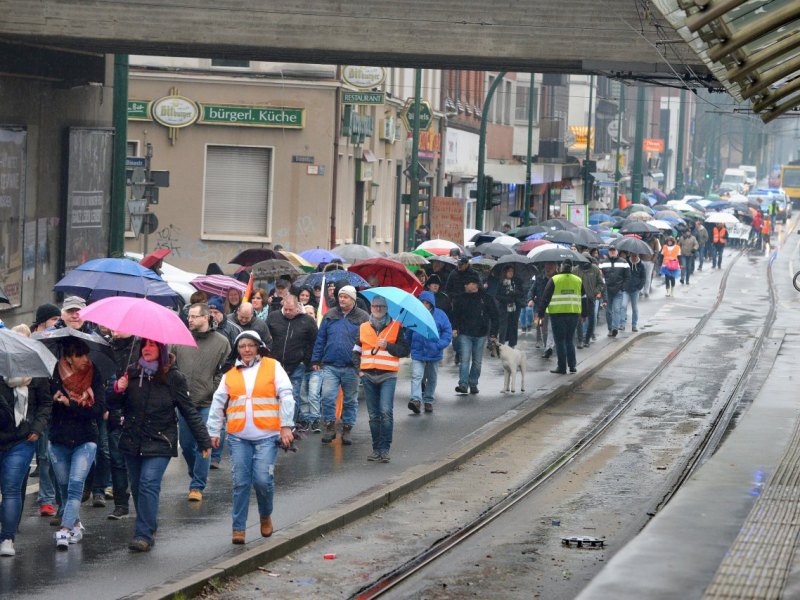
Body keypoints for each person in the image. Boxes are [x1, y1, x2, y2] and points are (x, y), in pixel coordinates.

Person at [112, 339, 212, 552]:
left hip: (160, 440)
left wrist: (204, 440)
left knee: (149, 483)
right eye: (144, 346)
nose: (147, 349)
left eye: (152, 345)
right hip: (132, 439)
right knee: (138, 486)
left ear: (161, 350)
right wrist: (117, 389)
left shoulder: (173, 377)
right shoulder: (132, 372)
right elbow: (114, 405)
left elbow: (189, 410)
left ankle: (143, 534)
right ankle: (148, 523)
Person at [207, 331, 295, 544]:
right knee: (240, 483)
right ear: (237, 350)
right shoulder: (230, 373)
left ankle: (265, 515)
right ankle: (238, 528)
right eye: (242, 346)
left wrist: (286, 426)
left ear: (258, 347)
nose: (246, 350)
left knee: (263, 481)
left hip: (267, 434)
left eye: (251, 346)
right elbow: (218, 402)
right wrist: (213, 431)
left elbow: (286, 395)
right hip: (238, 436)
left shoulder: (273, 366)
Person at [48, 337, 105, 550]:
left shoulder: (94, 374)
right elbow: (44, 404)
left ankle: (64, 530)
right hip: (59, 439)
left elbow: (98, 409)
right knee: (64, 488)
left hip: (85, 439)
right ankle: (76, 524)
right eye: (79, 355)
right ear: (68, 358)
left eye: (86, 354)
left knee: (74, 487)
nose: (84, 359)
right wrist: (53, 399)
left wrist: (70, 403)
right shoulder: (54, 375)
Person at [173, 303, 231, 502]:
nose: (189, 320)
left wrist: (213, 390)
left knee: (202, 445)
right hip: (185, 403)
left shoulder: (221, 342)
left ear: (206, 318)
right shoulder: (179, 339)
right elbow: (171, 366)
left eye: (194, 316)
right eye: (188, 316)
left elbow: (225, 372)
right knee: (187, 446)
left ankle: (197, 485)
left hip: (207, 402)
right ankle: (195, 472)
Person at [0, 368, 51, 556]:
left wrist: (37, 429)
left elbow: (46, 403)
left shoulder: (37, 375)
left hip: (22, 439)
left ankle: (7, 538)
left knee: (11, 488)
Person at [311, 285, 369, 446]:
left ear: (353, 299)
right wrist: (316, 360)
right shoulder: (330, 315)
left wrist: (365, 365)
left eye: (346, 297)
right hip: (330, 364)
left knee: (350, 400)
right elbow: (320, 339)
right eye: (340, 296)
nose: (342, 299)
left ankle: (347, 429)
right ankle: (329, 427)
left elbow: (368, 342)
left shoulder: (363, 317)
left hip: (352, 366)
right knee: (327, 397)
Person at [356, 296, 409, 463]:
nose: (377, 308)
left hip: (388, 376)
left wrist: (389, 346)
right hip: (368, 375)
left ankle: (385, 449)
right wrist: (359, 369)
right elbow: (356, 349)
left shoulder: (396, 327)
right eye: (375, 306)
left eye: (381, 306)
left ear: (386, 309)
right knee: (373, 415)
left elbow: (404, 350)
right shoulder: (364, 326)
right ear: (370, 307)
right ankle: (376, 448)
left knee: (385, 412)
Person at [267, 295, 318, 431]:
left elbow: (314, 342)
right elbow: (266, 337)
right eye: (286, 309)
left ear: (297, 308)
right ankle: (275, 422)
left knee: (293, 395)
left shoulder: (307, 320)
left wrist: (307, 360)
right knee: (274, 394)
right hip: (276, 364)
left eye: (291, 310)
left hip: (297, 364)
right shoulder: (273, 317)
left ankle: (290, 424)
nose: (288, 312)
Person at [30, 303, 61, 517]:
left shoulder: (59, 342)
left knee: (52, 456)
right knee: (43, 457)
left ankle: (53, 498)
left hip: (56, 404)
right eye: (53, 320)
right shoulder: (30, 344)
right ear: (42, 323)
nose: (57, 323)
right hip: (39, 405)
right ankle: (46, 499)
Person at [451, 273, 499, 395]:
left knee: (477, 362)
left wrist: (493, 333)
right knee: (465, 359)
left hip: (481, 334)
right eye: (466, 284)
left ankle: (473, 383)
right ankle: (463, 384)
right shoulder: (460, 298)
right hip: (465, 333)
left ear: (475, 285)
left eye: (469, 284)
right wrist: (454, 328)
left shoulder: (486, 298)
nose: (466, 286)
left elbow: (495, 316)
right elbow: (454, 314)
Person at [407, 291, 452, 414]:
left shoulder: (440, 315)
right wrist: (407, 346)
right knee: (417, 376)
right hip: (418, 350)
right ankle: (415, 399)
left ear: (431, 303)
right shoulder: (414, 315)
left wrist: (439, 345)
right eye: (422, 302)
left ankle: (428, 400)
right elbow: (409, 333)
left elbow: (447, 332)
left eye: (427, 302)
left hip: (434, 352)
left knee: (432, 377)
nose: (425, 304)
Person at [538, 259, 585, 374]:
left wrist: (540, 314)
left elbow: (545, 298)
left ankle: (562, 367)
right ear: (572, 268)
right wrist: (584, 314)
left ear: (561, 267)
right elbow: (584, 298)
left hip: (557, 314)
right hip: (574, 314)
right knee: (570, 340)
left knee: (560, 341)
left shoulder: (554, 280)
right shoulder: (578, 280)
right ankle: (572, 366)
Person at [600, 247, 629, 337]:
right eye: (611, 251)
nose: (612, 252)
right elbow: (600, 276)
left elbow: (627, 276)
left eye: (614, 251)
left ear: (617, 252)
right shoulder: (602, 263)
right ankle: (610, 329)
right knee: (608, 311)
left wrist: (622, 287)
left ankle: (615, 328)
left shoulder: (624, 262)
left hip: (618, 290)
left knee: (616, 309)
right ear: (608, 252)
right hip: (607, 291)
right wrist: (603, 288)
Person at [576, 254, 604, 348]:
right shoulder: (575, 270)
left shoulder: (595, 269)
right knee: (579, 320)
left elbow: (601, 283)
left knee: (591, 320)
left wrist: (595, 292)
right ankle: (580, 340)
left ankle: (587, 339)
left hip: (590, 299)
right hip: (578, 299)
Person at [494, 265, 524, 348]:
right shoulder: (501, 282)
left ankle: (512, 344)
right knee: (503, 326)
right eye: (509, 271)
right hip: (504, 307)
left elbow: (521, 293)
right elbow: (497, 295)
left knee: (513, 325)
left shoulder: (517, 281)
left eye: (512, 271)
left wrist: (514, 293)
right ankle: (501, 343)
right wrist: (507, 298)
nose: (511, 273)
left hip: (515, 307)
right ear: (505, 272)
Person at [621, 253, 645, 332]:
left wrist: (639, 287)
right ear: (630, 255)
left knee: (634, 308)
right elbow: (622, 275)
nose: (634, 257)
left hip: (635, 290)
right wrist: (623, 285)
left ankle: (634, 325)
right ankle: (622, 324)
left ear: (638, 256)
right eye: (633, 255)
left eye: (635, 256)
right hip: (626, 289)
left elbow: (643, 278)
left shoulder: (641, 265)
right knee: (623, 306)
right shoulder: (626, 264)